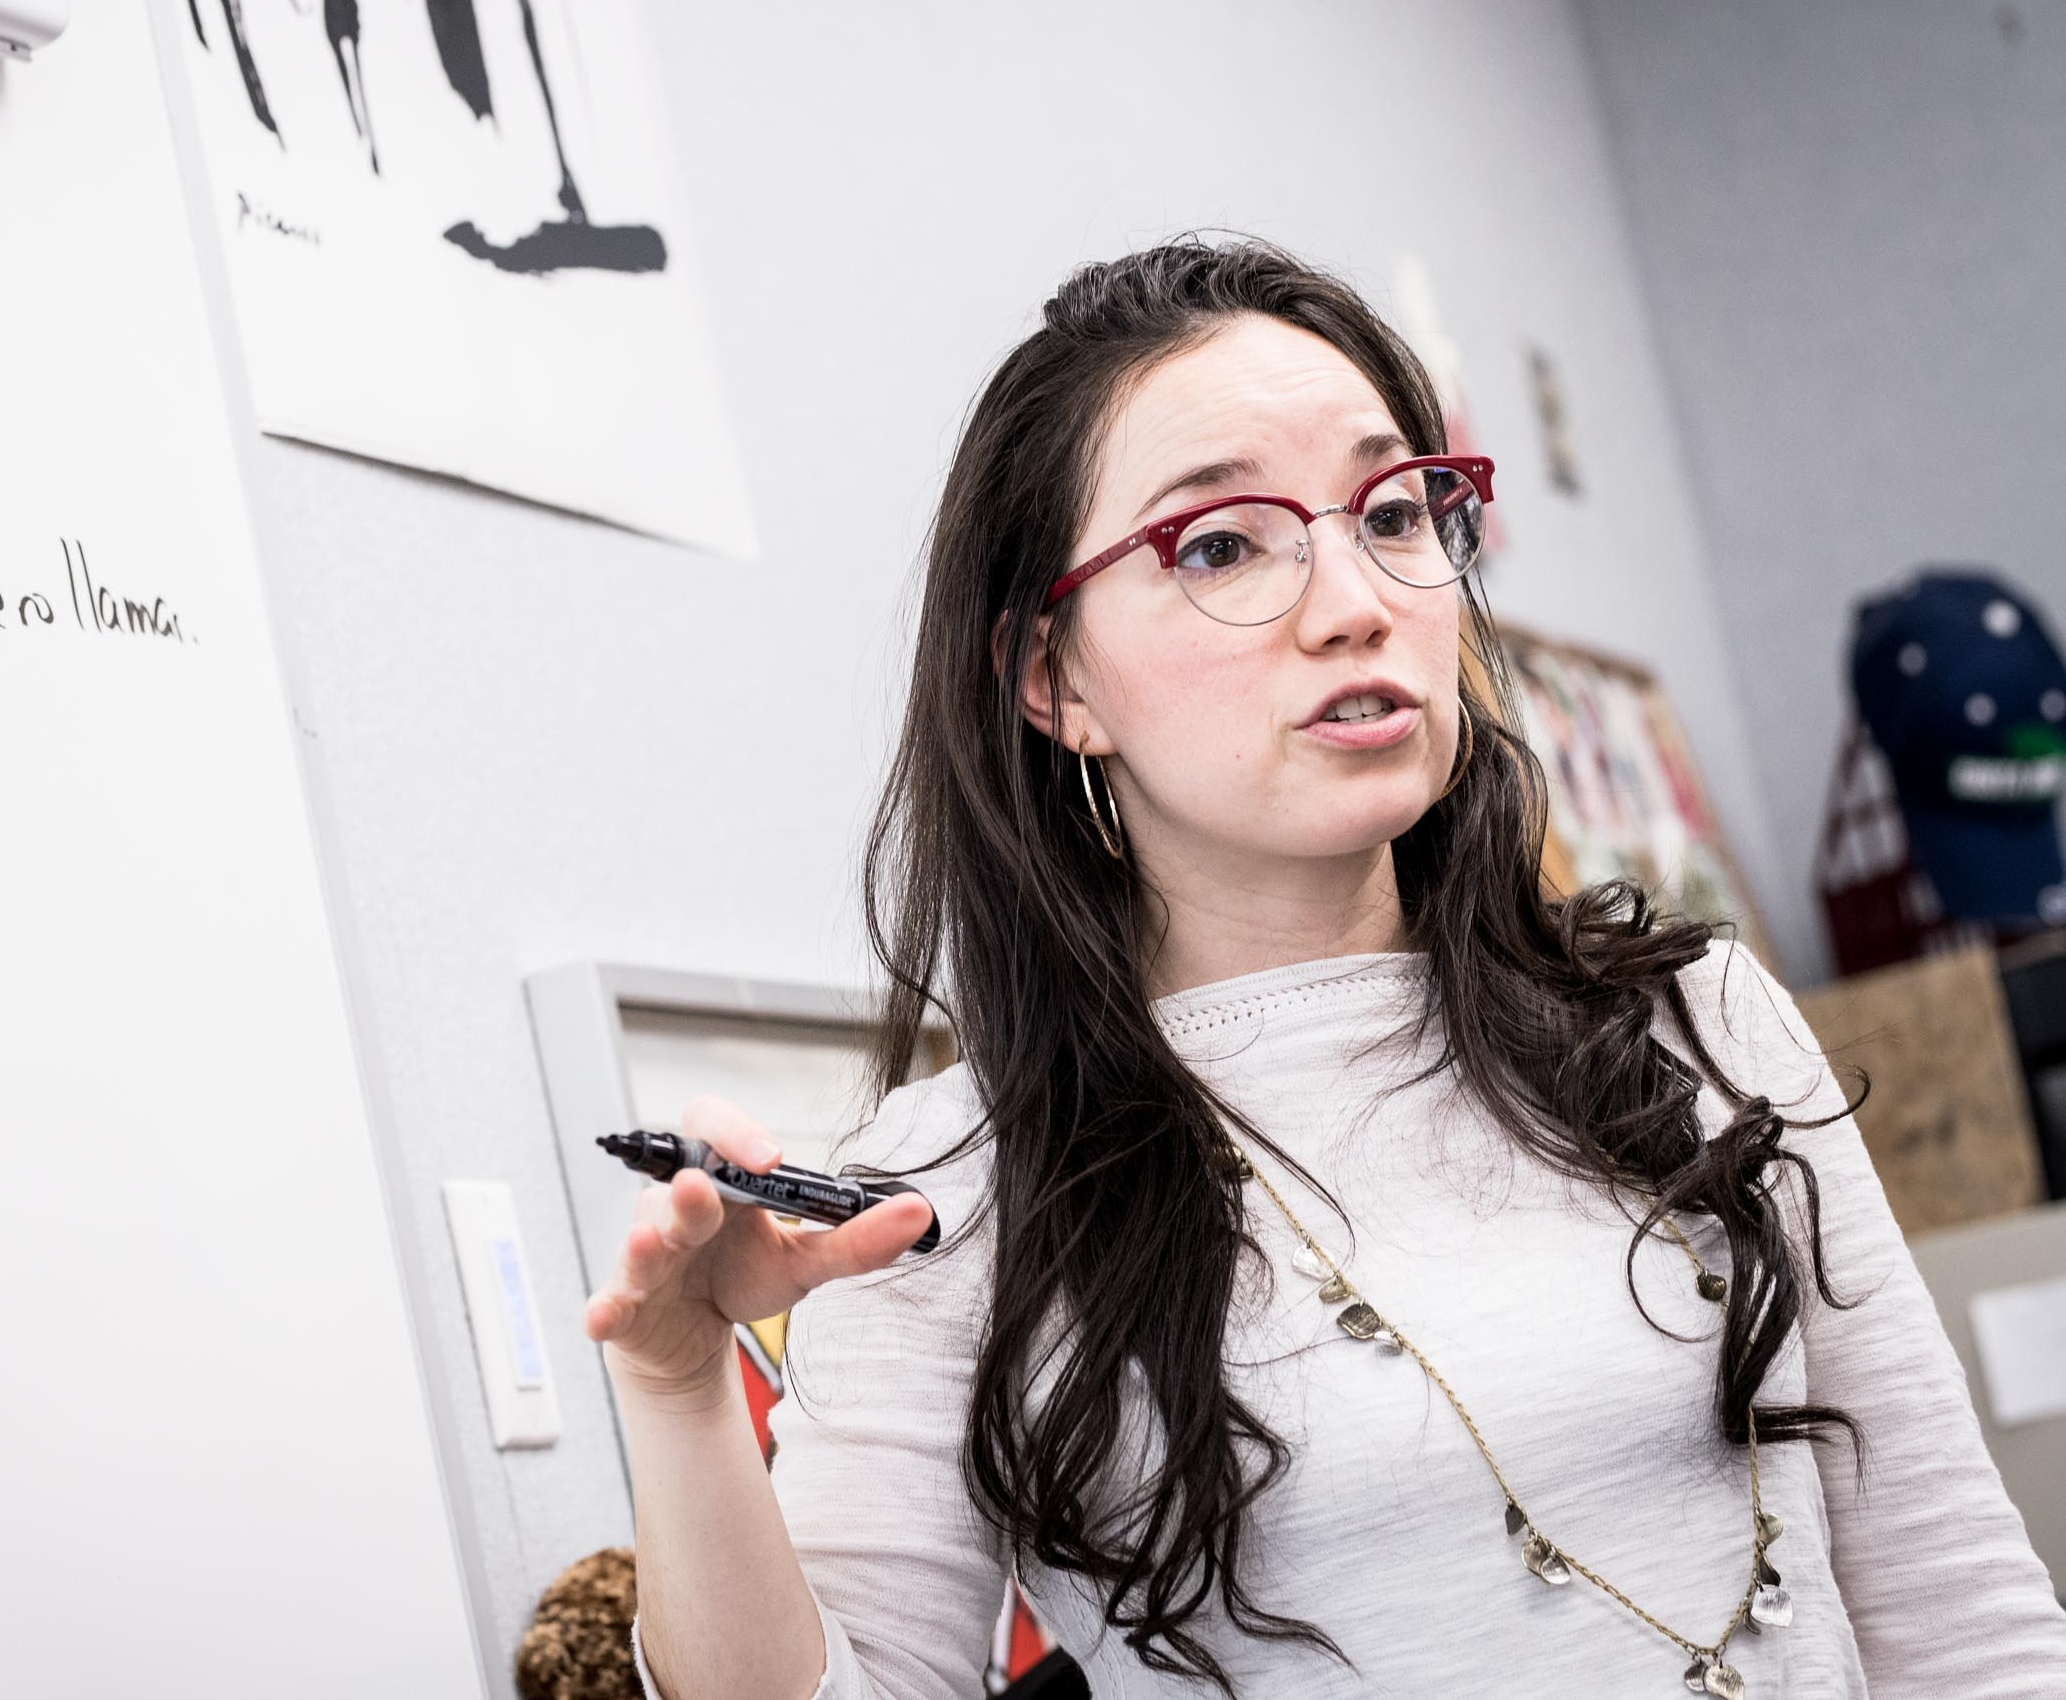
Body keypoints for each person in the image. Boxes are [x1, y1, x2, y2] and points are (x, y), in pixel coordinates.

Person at [583, 237, 2066, 1698]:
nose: (1357, 597)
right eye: (1221, 542)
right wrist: (676, 1384)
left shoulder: (1691, 1016)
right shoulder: (948, 1194)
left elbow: (1966, 1618)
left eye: (1396, 510)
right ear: (1055, 678)